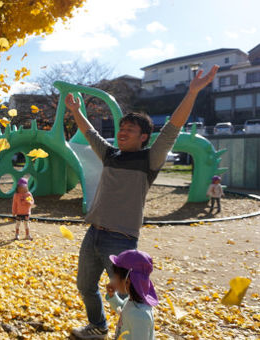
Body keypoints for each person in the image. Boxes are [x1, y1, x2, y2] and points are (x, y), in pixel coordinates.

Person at [66, 65, 218, 339]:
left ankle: (134, 333)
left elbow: (173, 127)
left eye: (130, 129)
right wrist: (76, 110)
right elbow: (90, 133)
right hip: (94, 233)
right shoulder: (110, 154)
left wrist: (193, 91)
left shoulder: (150, 159)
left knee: (133, 296)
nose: (122, 132)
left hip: (121, 240)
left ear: (144, 136)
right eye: (121, 127)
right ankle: (98, 326)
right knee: (85, 286)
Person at [105, 250, 158, 340]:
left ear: (127, 281)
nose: (112, 279)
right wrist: (112, 296)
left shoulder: (140, 316)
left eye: (115, 276)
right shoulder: (133, 300)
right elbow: (123, 311)